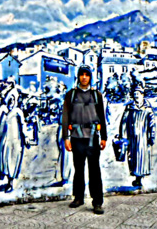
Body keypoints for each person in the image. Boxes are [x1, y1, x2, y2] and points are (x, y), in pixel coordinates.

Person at [62, 65, 108, 215]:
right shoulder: (71, 95)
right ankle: (78, 197)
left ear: (90, 77)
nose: (84, 77)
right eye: (81, 75)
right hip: (76, 137)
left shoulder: (97, 96)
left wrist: (104, 137)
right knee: (78, 169)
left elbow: (102, 116)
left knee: (94, 170)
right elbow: (65, 117)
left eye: (86, 75)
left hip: (93, 138)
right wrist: (66, 138)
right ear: (78, 77)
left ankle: (97, 202)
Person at [118, 83, 155, 188]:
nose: (136, 96)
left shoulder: (147, 108)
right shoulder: (130, 107)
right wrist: (123, 136)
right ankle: (136, 177)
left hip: (143, 138)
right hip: (132, 138)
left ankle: (140, 178)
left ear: (142, 94)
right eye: (134, 94)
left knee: (142, 158)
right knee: (133, 157)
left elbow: (152, 123)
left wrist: (151, 136)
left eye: (138, 93)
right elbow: (124, 122)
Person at [0, 87, 28, 192]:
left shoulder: (18, 111)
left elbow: (23, 125)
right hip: (4, 140)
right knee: (3, 159)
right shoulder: (2, 110)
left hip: (15, 140)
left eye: (13, 99)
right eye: (10, 99)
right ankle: (3, 174)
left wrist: (26, 137)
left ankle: (10, 182)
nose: (11, 101)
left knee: (13, 160)